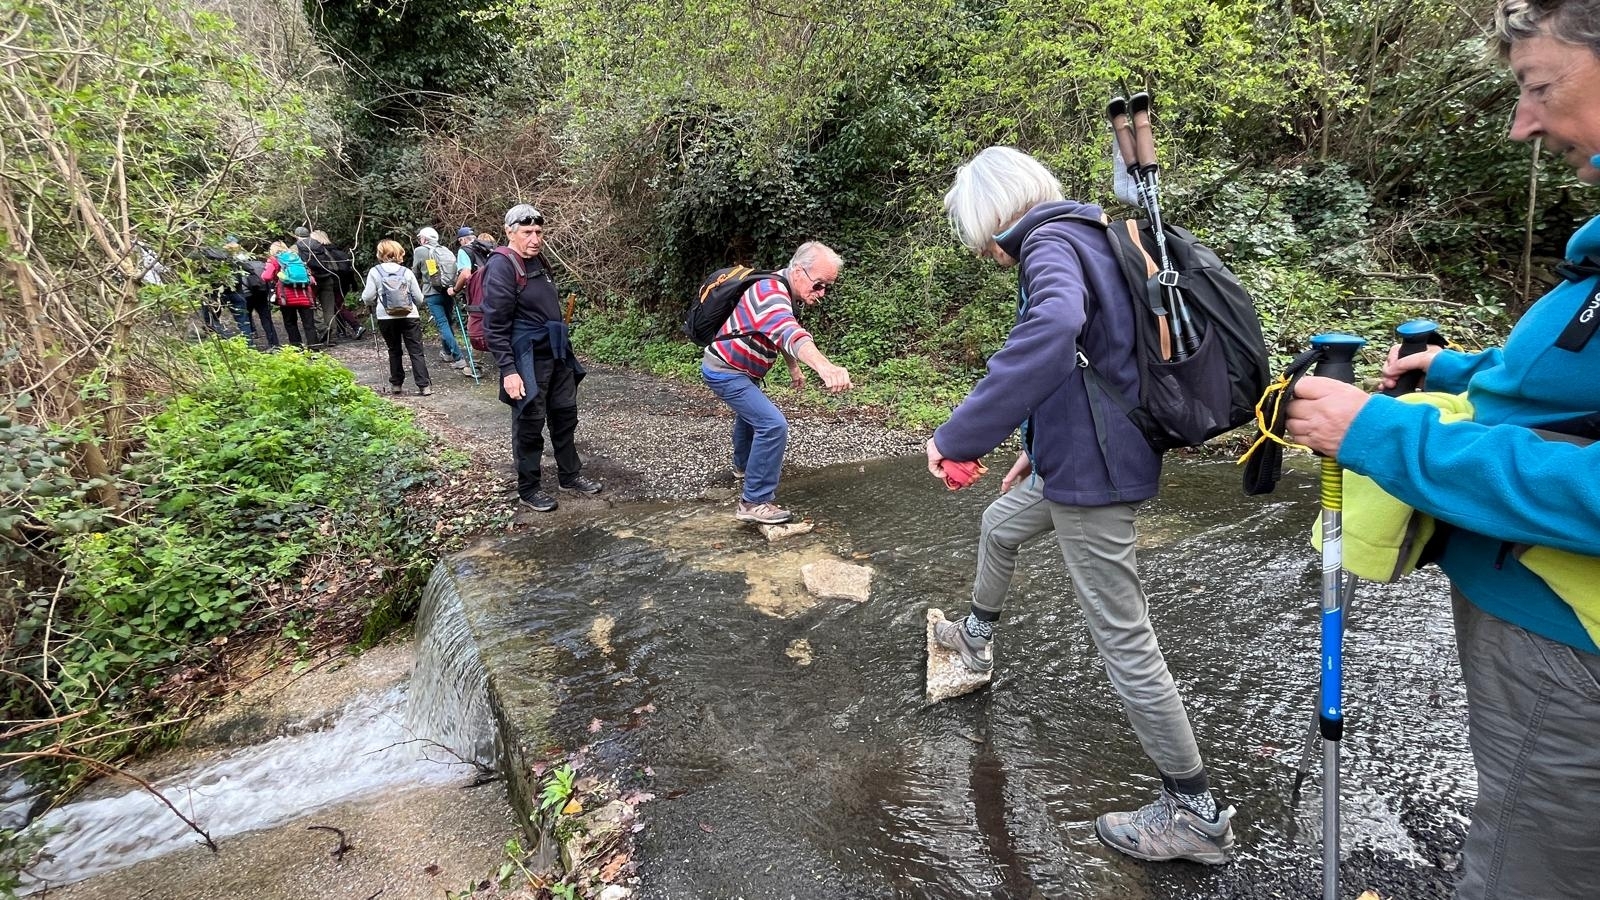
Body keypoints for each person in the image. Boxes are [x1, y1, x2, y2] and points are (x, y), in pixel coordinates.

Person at [1285, 3, 1600, 895]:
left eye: (1539, 86)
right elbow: (1568, 383)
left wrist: (1379, 434)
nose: (1523, 123)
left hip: (1571, 638)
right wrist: (1459, 369)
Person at [926, 146, 1235, 865]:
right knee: (1000, 525)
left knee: (1124, 637)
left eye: (978, 236)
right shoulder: (1091, 233)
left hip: (1095, 472)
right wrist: (1035, 444)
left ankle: (1195, 812)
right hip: (1077, 457)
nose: (985, 252)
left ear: (992, 216)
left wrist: (959, 435)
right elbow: (1097, 358)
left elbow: (1054, 330)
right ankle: (974, 638)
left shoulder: (1048, 242)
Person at [699, 242, 853, 524]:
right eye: (819, 285)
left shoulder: (782, 287)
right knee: (772, 425)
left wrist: (794, 368)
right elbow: (790, 332)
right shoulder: (769, 293)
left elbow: (778, 331)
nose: (821, 293)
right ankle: (754, 501)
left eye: (826, 287)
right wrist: (825, 367)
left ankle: (743, 468)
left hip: (741, 371)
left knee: (751, 416)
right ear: (799, 271)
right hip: (726, 371)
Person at [482, 203, 603, 512]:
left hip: (556, 352)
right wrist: (509, 370)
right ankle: (529, 488)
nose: (535, 239)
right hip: (527, 357)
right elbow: (494, 325)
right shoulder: (502, 265)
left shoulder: (538, 260)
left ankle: (569, 476)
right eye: (527, 232)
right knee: (529, 422)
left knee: (565, 415)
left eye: (538, 232)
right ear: (510, 232)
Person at [362, 239, 431, 396]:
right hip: (409, 315)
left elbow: (368, 297)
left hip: (386, 317)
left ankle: (396, 384)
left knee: (394, 350)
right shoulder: (406, 272)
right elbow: (419, 298)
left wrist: (373, 302)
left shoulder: (375, 271)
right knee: (416, 351)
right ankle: (424, 386)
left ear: (380, 253)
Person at [413, 226, 470, 372]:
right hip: (448, 290)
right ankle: (447, 353)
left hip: (432, 292)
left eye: (421, 238)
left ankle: (459, 358)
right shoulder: (445, 250)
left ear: (424, 239)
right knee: (448, 323)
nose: (420, 240)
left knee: (443, 324)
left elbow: (415, 273)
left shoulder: (420, 251)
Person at [262, 240, 318, 348]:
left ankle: (297, 348)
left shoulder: (274, 260)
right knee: (309, 324)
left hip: (286, 297)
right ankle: (314, 347)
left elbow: (266, 276)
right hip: (304, 295)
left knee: (290, 323)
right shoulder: (296, 257)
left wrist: (276, 277)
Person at [312, 229, 364, 341]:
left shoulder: (322, 253)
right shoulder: (339, 252)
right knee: (336, 306)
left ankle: (356, 326)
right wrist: (353, 284)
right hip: (345, 283)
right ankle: (342, 330)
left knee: (337, 307)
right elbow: (349, 270)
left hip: (334, 284)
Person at [231, 241, 280, 350]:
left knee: (246, 318)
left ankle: (251, 340)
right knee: (266, 318)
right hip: (261, 292)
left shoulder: (236, 264)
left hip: (246, 293)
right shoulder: (259, 264)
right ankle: (274, 343)